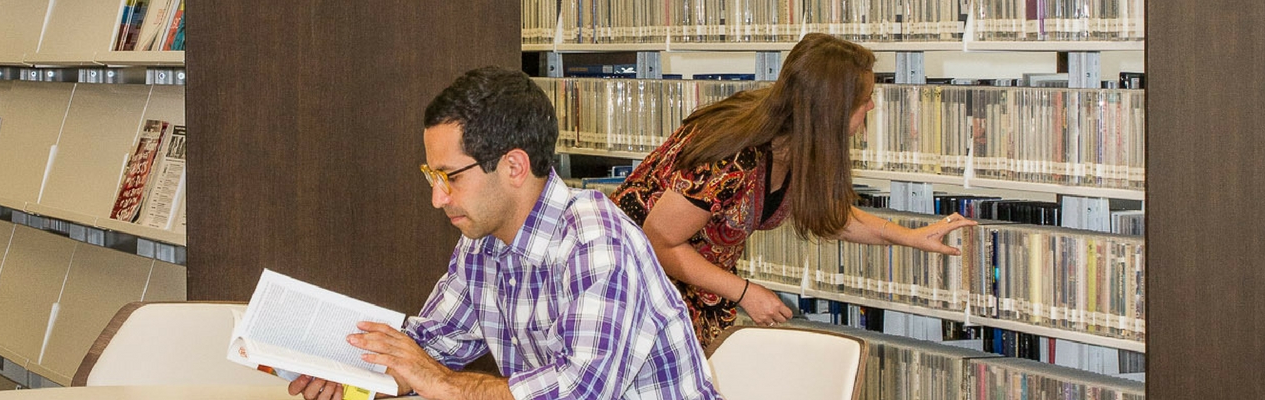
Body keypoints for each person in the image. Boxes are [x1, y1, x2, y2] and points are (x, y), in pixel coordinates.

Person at [290, 66, 722, 400]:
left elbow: (578, 390)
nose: (438, 199)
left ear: (514, 167)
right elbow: (431, 346)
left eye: (450, 177)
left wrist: (444, 384)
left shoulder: (596, 240)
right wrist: (352, 375)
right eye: (431, 176)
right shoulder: (480, 244)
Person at [609, 33, 978, 348]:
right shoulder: (733, 156)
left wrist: (909, 237)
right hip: (629, 289)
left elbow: (830, 214)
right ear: (831, 111)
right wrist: (744, 292)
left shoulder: (795, 139)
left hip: (687, 289)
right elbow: (656, 240)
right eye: (863, 98)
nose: (871, 104)